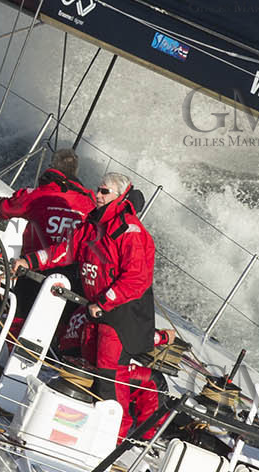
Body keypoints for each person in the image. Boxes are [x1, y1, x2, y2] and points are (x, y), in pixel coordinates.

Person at [13, 171, 156, 438]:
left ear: (120, 196)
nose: (97, 196)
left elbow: (137, 279)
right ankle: (87, 431)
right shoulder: (92, 224)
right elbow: (66, 251)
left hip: (121, 312)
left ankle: (114, 438)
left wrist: (105, 301)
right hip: (96, 308)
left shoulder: (130, 232)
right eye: (97, 190)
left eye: (103, 192)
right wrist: (30, 261)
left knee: (108, 376)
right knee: (89, 366)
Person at [0, 148, 96, 322]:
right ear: (76, 171)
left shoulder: (39, 194)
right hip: (70, 279)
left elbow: (4, 210)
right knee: (53, 325)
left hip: (32, 270)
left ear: (52, 166)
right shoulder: (90, 204)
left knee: (19, 319)